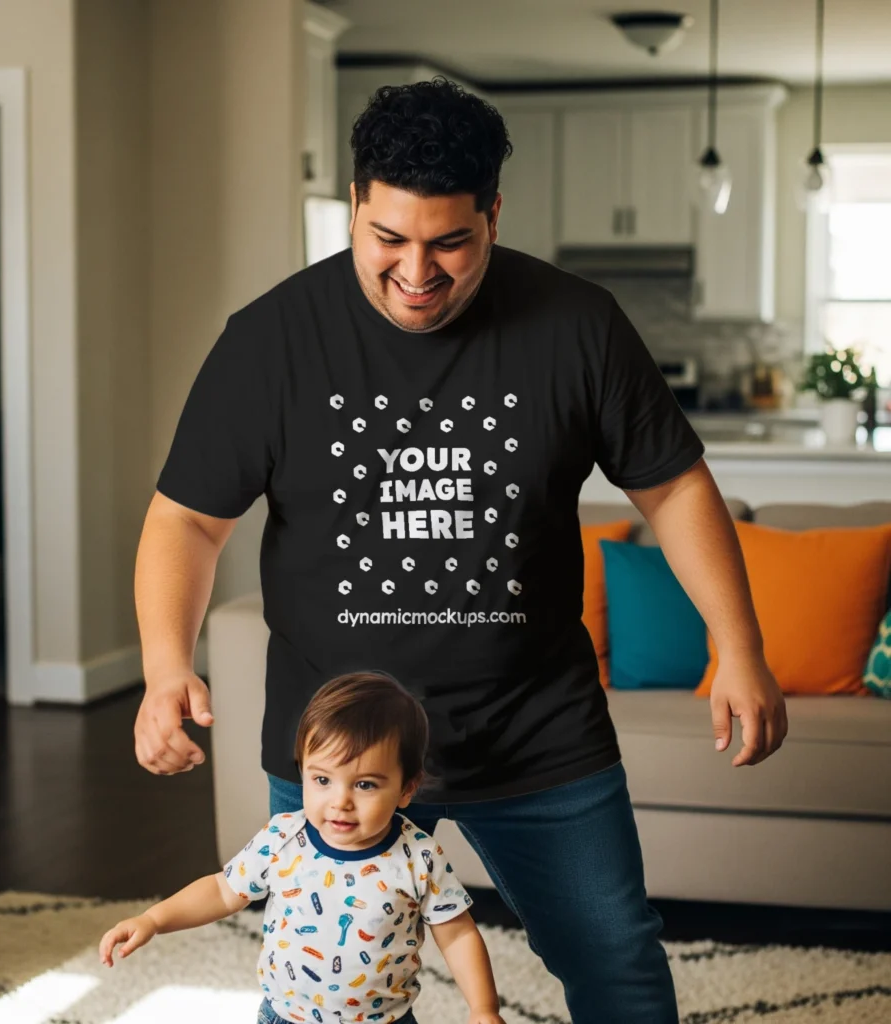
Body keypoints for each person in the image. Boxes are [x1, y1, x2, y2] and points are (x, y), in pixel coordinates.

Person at [134, 77, 788, 1023]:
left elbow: (672, 483)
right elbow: (186, 519)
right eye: (388, 240)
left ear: (493, 214)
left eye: (450, 242)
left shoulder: (577, 324)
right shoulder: (272, 339)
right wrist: (163, 667)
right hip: (342, 749)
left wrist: (740, 644)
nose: (416, 272)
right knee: (321, 989)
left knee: (616, 964)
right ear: (356, 206)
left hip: (539, 728)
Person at [103, 672, 506, 1024]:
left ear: (406, 789)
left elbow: (456, 934)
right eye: (322, 780)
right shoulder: (282, 839)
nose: (340, 801)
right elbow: (222, 890)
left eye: (365, 784)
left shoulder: (418, 856)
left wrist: (482, 1007)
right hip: (285, 1017)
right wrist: (154, 919)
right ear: (303, 774)